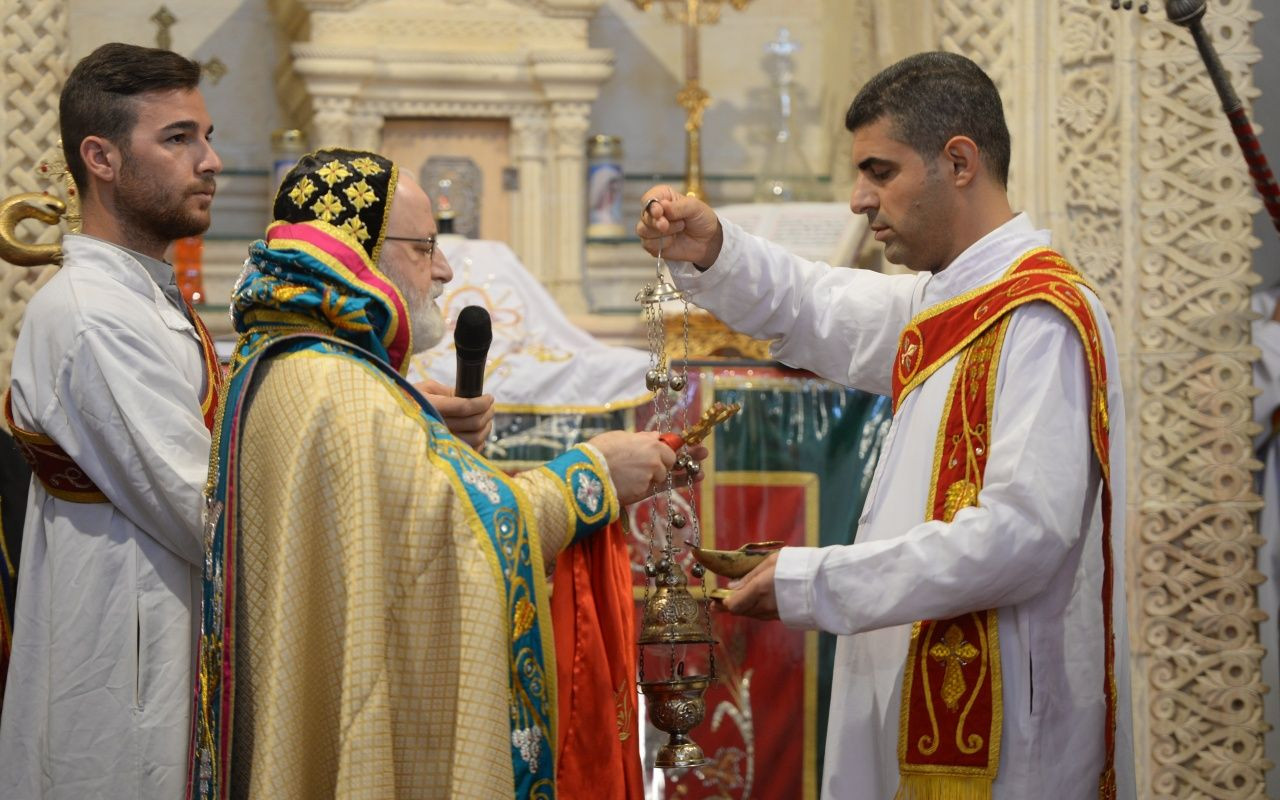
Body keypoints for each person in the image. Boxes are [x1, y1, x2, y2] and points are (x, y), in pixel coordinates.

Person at [636, 52, 1132, 800]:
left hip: (1008, 742)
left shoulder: (1041, 317)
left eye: (880, 171)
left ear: (959, 162)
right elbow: (813, 303)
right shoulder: (945, 301)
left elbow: (1021, 538)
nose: (859, 200)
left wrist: (817, 581)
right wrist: (713, 250)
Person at [189, 148, 699, 800]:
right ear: (360, 252)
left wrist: (416, 422)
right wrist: (594, 473)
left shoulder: (284, 359)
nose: (445, 269)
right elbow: (464, 537)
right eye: (424, 246)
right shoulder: (344, 390)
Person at [0, 43, 224, 799]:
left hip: (159, 636)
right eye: (178, 138)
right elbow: (204, 509)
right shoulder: (94, 317)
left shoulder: (140, 298)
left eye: (207, 136)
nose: (210, 161)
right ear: (100, 157)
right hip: (124, 668)